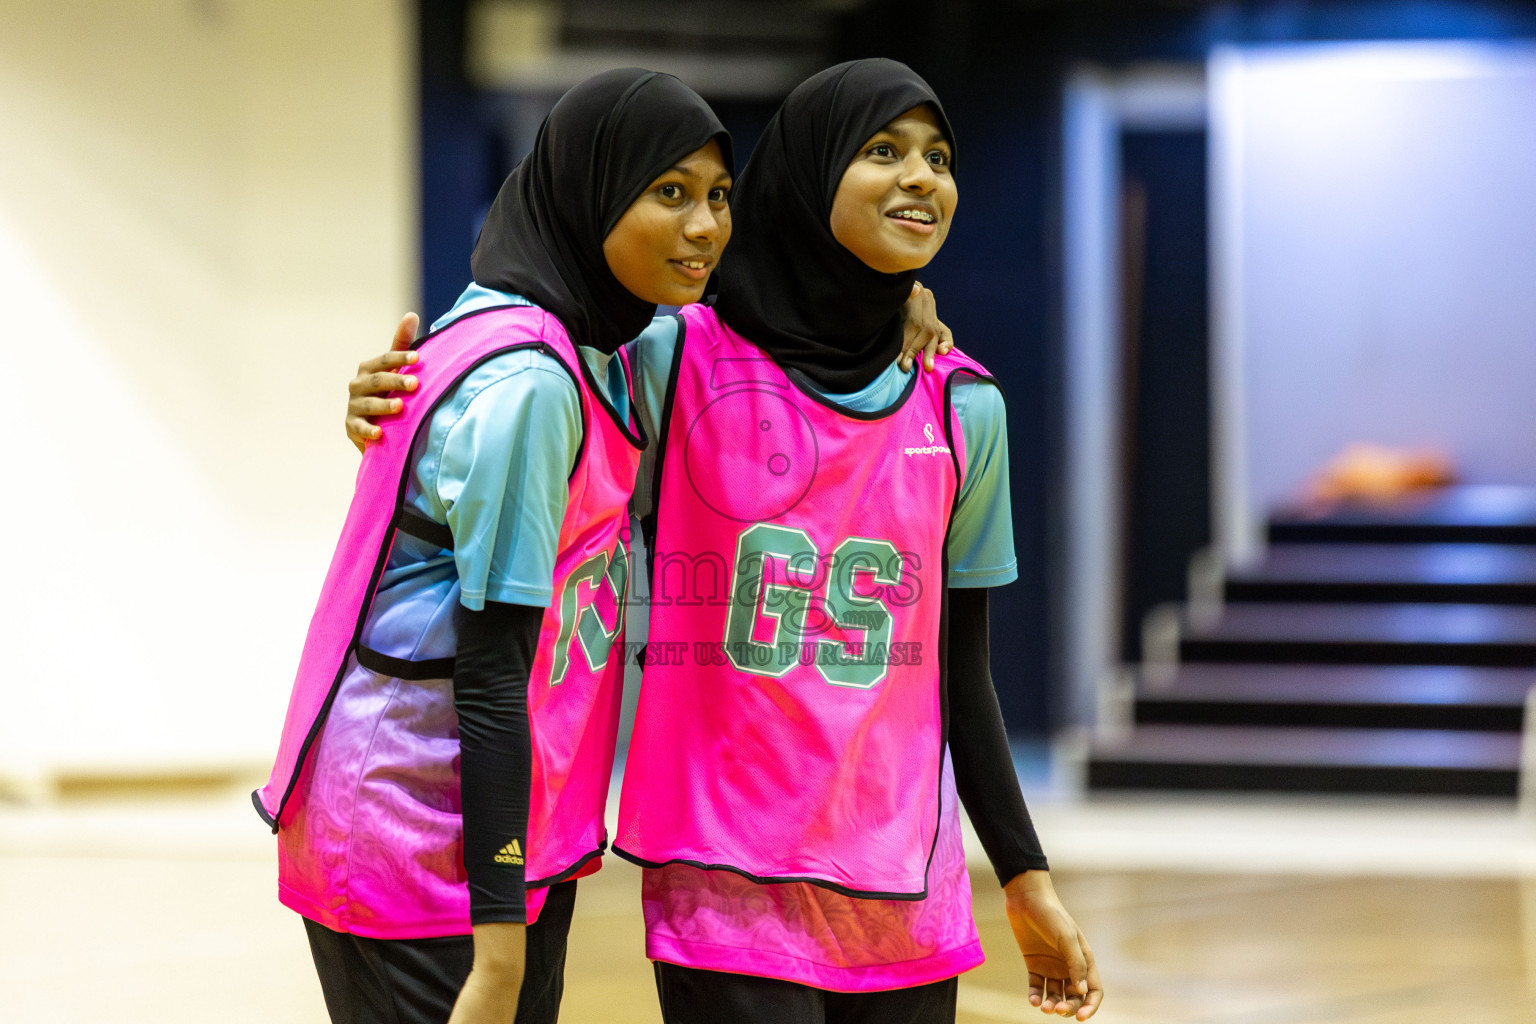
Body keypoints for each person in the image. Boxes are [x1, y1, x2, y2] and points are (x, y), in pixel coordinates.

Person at [348, 59, 1101, 1023]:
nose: (921, 176)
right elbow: (507, 383)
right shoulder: (674, 361)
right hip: (724, 891)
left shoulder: (965, 406)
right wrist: (384, 391)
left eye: (939, 157)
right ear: (809, 173)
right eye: (883, 150)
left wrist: (1025, 874)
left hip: (906, 894)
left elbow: (964, 669)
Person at [255, 68, 733, 1024]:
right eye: (669, 193)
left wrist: (906, 305)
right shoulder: (532, 382)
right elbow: (490, 676)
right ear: (589, 195)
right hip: (415, 829)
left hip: (490, 821)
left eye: (720, 197)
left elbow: (771, 317)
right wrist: (501, 944)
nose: (706, 226)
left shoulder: (593, 344)